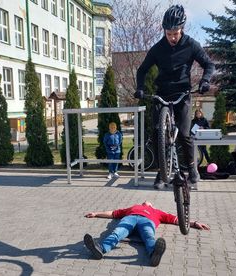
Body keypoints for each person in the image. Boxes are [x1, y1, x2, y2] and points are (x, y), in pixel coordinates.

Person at [134, 5, 215, 189]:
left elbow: (209, 64)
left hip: (182, 94)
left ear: (182, 29)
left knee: (185, 134)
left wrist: (205, 81)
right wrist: (139, 88)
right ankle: (161, 173)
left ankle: (193, 168)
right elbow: (142, 70)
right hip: (162, 94)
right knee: (156, 133)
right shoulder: (158, 48)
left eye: (175, 33)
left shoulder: (190, 44)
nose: (172, 37)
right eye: (168, 33)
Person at [83, 201, 210, 266]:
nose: (146, 203)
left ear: (152, 205)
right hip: (130, 218)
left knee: (149, 237)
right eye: (144, 202)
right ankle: (101, 249)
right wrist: (96, 213)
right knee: (118, 232)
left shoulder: (158, 212)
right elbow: (114, 213)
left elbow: (177, 220)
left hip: (147, 222)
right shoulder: (133, 207)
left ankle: (154, 253)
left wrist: (194, 223)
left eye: (148, 203)